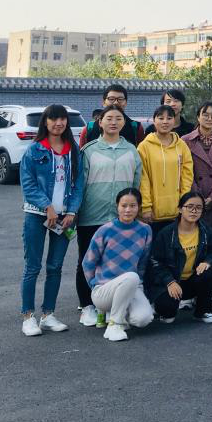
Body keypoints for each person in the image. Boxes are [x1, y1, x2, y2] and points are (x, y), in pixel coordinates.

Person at [75, 104, 142, 328]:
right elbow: (79, 184)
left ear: (124, 123)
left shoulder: (131, 150)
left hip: (122, 218)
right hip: (92, 215)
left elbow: (136, 183)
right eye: (109, 118)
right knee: (87, 260)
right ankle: (87, 306)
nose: (113, 122)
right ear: (100, 122)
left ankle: (112, 306)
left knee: (118, 261)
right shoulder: (89, 150)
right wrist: (75, 211)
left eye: (118, 118)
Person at [19, 104, 83, 336]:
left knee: (55, 267)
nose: (59, 123)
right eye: (53, 119)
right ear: (45, 122)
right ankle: (28, 317)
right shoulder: (34, 150)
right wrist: (47, 206)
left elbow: (79, 183)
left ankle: (48, 315)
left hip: (64, 217)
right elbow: (28, 184)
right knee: (32, 267)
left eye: (62, 119)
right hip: (37, 215)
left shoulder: (73, 150)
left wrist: (72, 211)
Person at [81, 187, 155, 341]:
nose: (128, 210)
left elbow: (143, 262)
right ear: (117, 206)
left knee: (143, 319)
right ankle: (114, 325)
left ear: (139, 207)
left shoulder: (145, 230)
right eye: (124, 205)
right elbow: (88, 262)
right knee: (131, 277)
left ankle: (116, 313)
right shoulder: (105, 230)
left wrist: (139, 284)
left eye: (132, 206)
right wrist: (94, 284)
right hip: (104, 290)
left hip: (132, 285)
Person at [148, 191, 212, 324]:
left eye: (198, 207)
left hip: (193, 280)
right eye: (189, 206)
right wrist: (169, 281)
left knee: (208, 273)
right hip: (171, 281)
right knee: (167, 312)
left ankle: (202, 311)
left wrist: (207, 262)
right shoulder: (166, 233)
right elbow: (156, 261)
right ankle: (166, 308)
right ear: (180, 209)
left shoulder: (206, 230)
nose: (194, 211)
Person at [137, 105, 195, 239]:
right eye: (160, 118)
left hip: (176, 211)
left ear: (174, 121)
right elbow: (143, 178)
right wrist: (146, 206)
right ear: (154, 120)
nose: (165, 122)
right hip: (152, 213)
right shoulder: (144, 146)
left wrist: (184, 202)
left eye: (169, 118)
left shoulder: (181, 145)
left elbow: (187, 176)